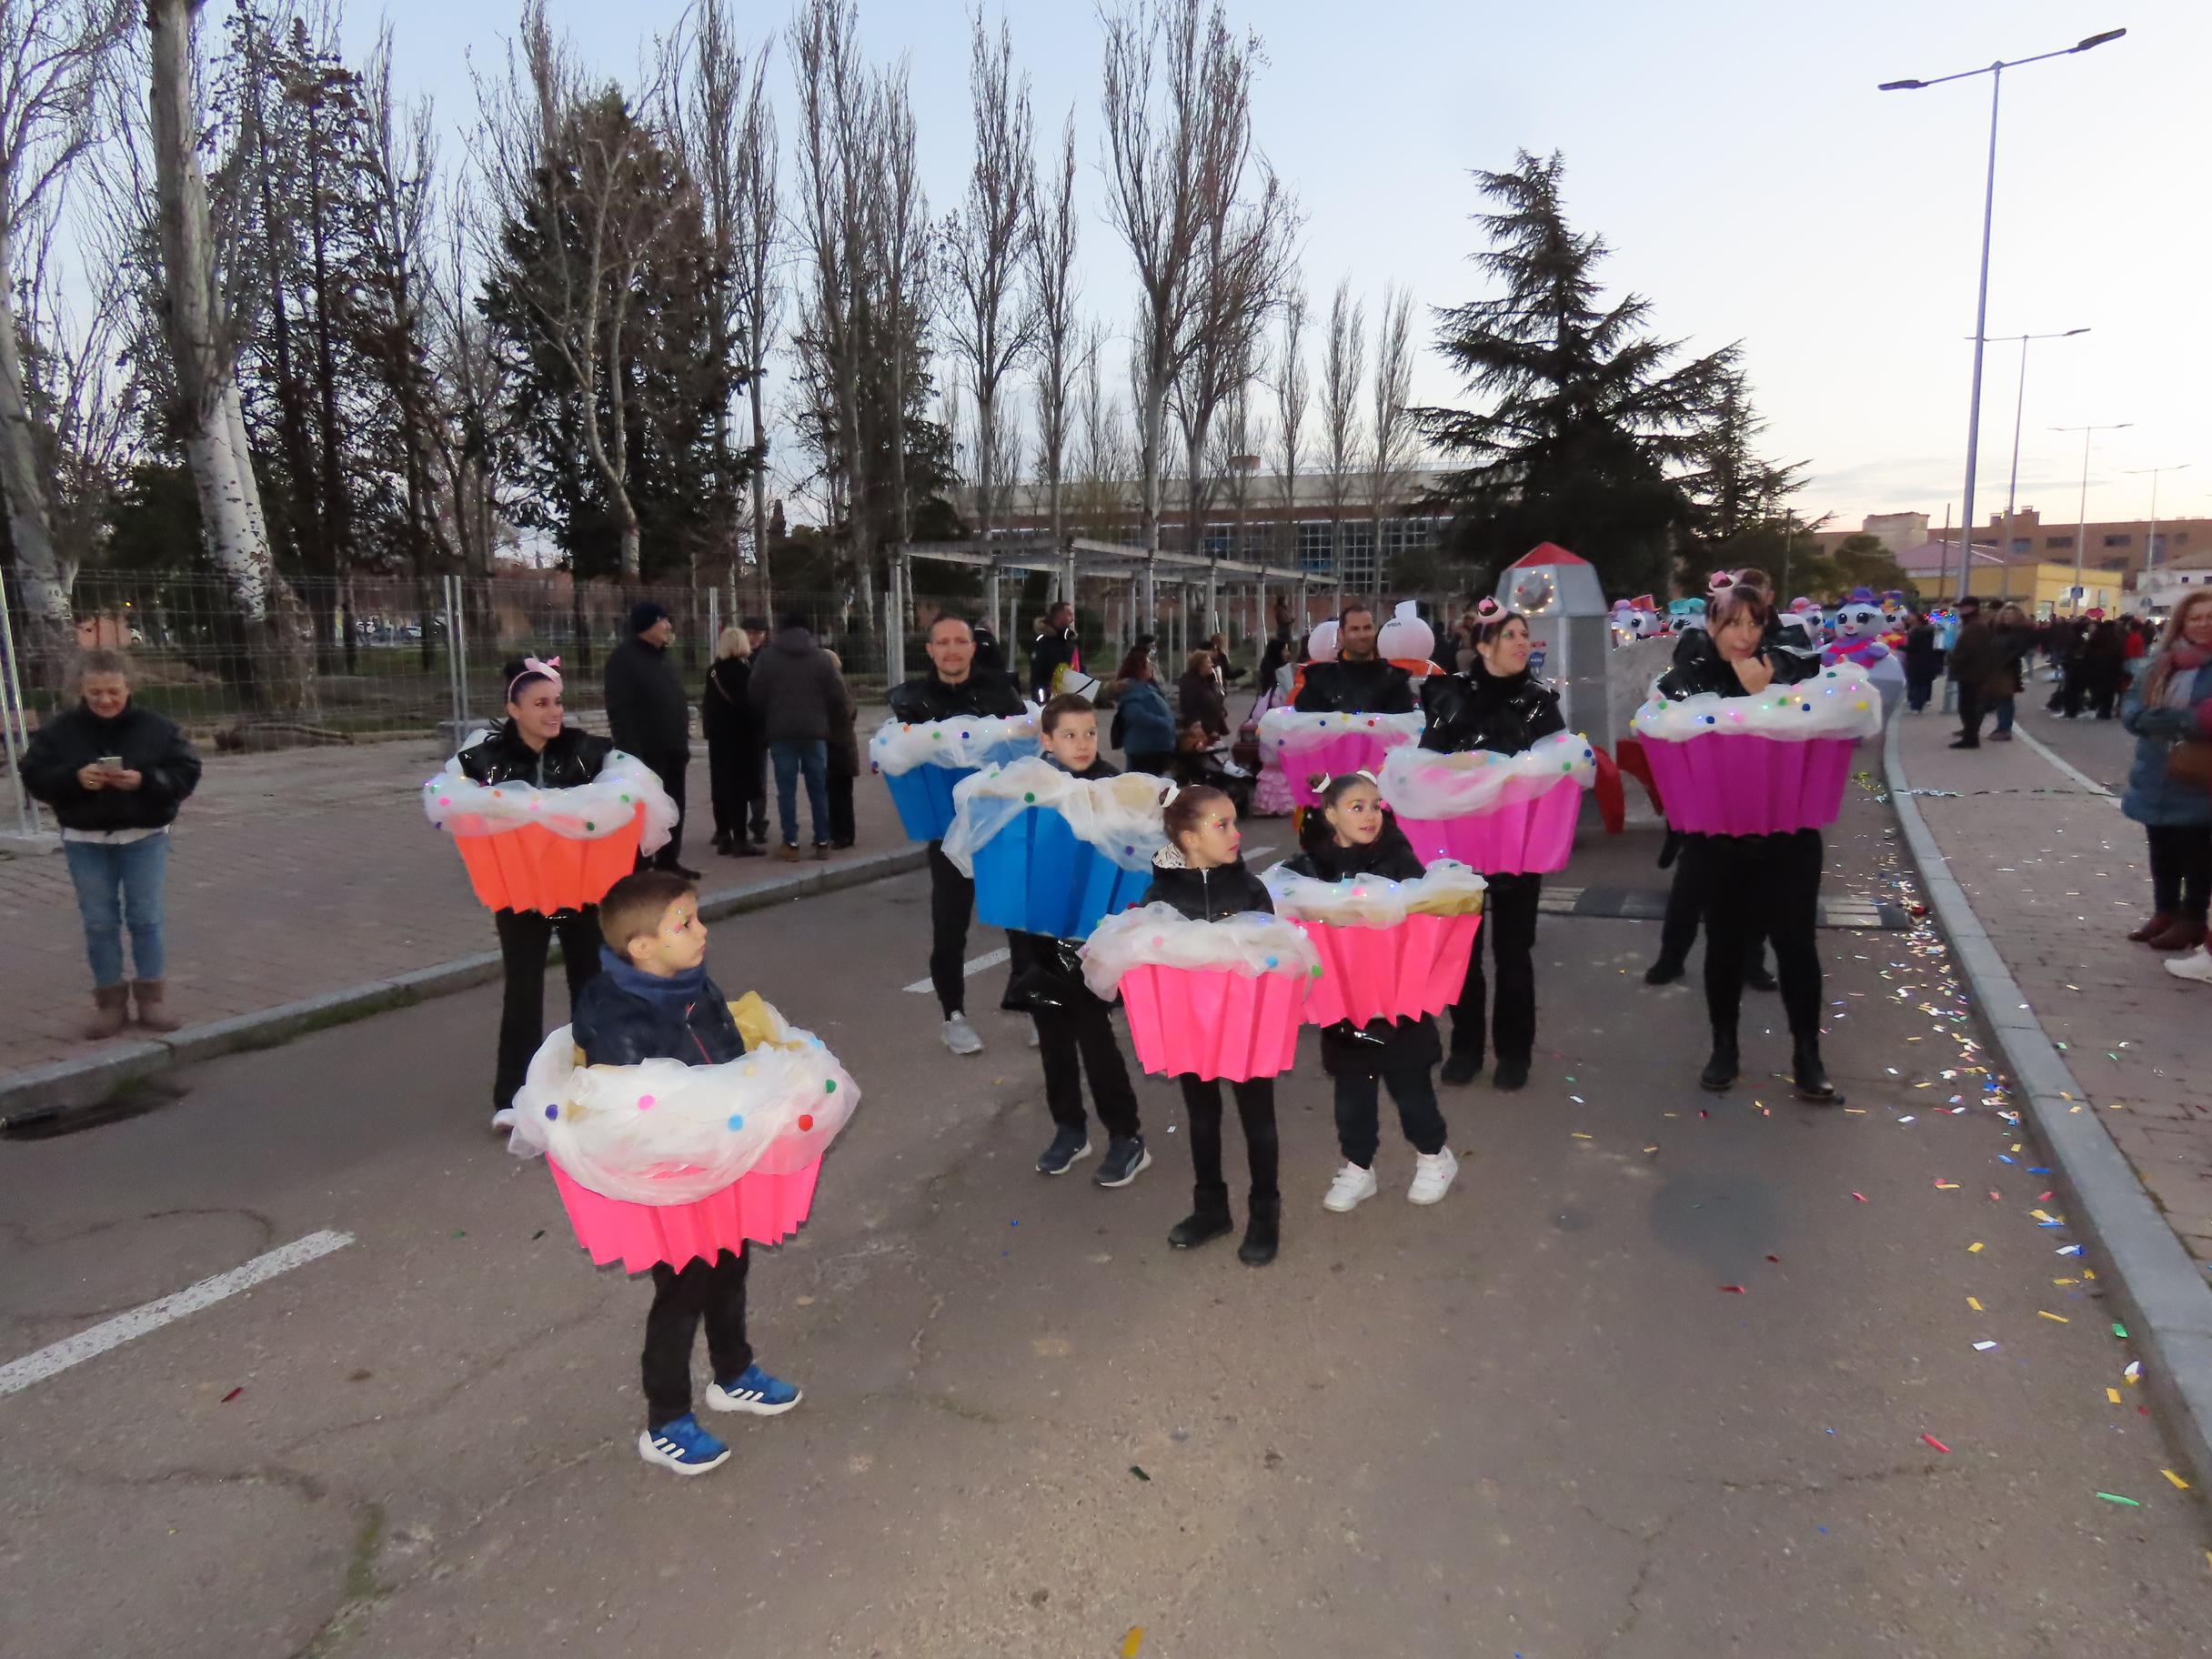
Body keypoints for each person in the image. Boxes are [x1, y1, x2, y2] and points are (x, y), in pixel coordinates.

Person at [568, 870, 802, 1475]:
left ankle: (733, 1372)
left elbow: (727, 1057)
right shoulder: (616, 1011)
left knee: (731, 1261)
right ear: (642, 946)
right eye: (686, 923)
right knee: (683, 1288)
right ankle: (666, 1419)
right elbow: (629, 1111)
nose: (702, 931)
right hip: (668, 1177)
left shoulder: (695, 985)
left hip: (717, 1161)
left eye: (698, 917)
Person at [1653, 580, 1836, 1101]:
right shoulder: (1687, 679)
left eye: (1755, 622)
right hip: (1720, 838)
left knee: (1796, 946)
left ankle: (1807, 1055)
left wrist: (1771, 677)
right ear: (1711, 624)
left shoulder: (1788, 664)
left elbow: (1823, 680)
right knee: (1725, 946)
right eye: (1733, 622)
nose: (1745, 634)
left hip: (1788, 833)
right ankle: (1724, 1048)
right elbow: (1666, 724)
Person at [1285, 772, 1458, 1212]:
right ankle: (1359, 1168)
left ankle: (1434, 1156)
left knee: (1411, 1088)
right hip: (1344, 1007)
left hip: (1398, 1004)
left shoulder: (1400, 860)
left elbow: (1425, 921)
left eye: (1375, 805)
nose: (1369, 815)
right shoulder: (1309, 867)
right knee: (1352, 1096)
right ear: (1330, 815)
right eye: (1356, 806)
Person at [457, 658, 613, 1114]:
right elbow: (454, 795)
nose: (554, 712)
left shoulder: (586, 749)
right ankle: (513, 1096)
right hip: (520, 893)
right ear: (514, 708)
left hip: (577, 889)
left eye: (558, 702)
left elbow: (625, 781)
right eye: (541, 703)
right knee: (522, 988)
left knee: (589, 981)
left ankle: (598, 1078)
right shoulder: (487, 758)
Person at [1416, 600, 1562, 1090]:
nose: (1523, 643)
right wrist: (1457, 767)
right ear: (1483, 645)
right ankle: (1466, 1047)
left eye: (1525, 635)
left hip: (1518, 844)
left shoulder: (1540, 700)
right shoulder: (1448, 697)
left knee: (1514, 951)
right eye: (1511, 635)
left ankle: (1515, 1053)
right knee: (1464, 953)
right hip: (1460, 842)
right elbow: (1426, 763)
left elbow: (1559, 766)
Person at [21, 648, 203, 1038]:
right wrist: (74, 780)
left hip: (144, 836)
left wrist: (145, 781)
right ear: (80, 692)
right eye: (95, 693)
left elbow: (186, 771)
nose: (105, 700)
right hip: (85, 839)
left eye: (113, 692)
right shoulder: (59, 732)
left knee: (145, 918)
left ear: (128, 688)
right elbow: (34, 774)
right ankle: (110, 1003)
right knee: (99, 922)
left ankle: (152, 999)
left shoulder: (157, 729)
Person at [1015, 694, 1151, 1187]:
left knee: (1095, 1039)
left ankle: (1126, 1135)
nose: (1082, 743)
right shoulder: (1026, 789)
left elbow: (1139, 856)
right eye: (1069, 735)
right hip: (1037, 935)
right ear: (1047, 741)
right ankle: (1070, 1129)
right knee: (1052, 1038)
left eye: (1090, 732)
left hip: (1092, 937)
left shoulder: (1117, 788)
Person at [1141, 785, 1281, 1265]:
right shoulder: (1160, 892)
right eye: (1221, 825)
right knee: (1202, 1116)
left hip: (1246, 1022)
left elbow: (1273, 950)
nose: (1236, 833)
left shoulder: (1248, 888)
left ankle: (1264, 1215)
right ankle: (1211, 1209)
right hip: (1191, 1023)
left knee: (1257, 1117)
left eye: (1234, 822)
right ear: (1188, 837)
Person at [888, 615, 1028, 1055]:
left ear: (973, 647)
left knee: (1021, 924)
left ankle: (1031, 1006)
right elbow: (899, 756)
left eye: (960, 642)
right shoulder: (911, 700)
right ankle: (954, 1017)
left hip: (1001, 825)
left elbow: (1025, 749)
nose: (951, 650)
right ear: (929, 650)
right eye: (942, 643)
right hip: (946, 832)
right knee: (949, 928)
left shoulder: (1001, 693)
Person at [2119, 591, 2212, 960]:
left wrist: (2177, 722)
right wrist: (2143, 719)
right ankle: (2165, 911)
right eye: (2195, 618)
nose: (2203, 624)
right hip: (2156, 771)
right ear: (2181, 623)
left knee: (2197, 852)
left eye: (2210, 617)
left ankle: (2193, 919)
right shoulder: (2161, 663)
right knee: (2162, 848)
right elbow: (2132, 707)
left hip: (2198, 775)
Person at [604, 601, 698, 878]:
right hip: (645, 754)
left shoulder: (664, 658)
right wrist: (631, 754)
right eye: (663, 621)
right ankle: (639, 868)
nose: (668, 626)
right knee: (644, 813)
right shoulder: (623, 660)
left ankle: (669, 860)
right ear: (646, 625)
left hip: (674, 748)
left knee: (674, 806)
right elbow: (620, 710)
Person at [746, 613, 846, 862]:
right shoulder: (822, 658)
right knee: (818, 788)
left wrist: (769, 716)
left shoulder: (768, 658)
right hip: (815, 733)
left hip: (781, 733)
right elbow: (837, 695)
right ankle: (822, 841)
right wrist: (823, 719)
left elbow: (755, 693)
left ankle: (790, 843)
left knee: (786, 789)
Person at [700, 627, 766, 859]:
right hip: (742, 738)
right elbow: (752, 706)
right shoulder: (745, 671)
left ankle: (723, 835)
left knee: (721, 787)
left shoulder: (712, 672)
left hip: (719, 739)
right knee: (741, 789)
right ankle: (740, 839)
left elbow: (707, 706)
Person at [1294, 602, 1416, 714]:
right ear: (1341, 634)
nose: (1362, 635)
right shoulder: (1319, 679)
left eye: (1367, 628)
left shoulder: (1395, 680)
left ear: (1375, 631)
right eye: (1354, 629)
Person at [1109, 643, 1177, 777]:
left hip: (1154, 746)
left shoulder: (1146, 685)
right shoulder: (1133, 688)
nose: (1152, 667)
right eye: (1149, 663)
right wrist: (1164, 722)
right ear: (1140, 668)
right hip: (1144, 747)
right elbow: (1135, 714)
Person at [820, 647, 860, 850]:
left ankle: (841, 834)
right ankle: (842, 833)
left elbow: (843, 713)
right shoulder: (840, 681)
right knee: (840, 792)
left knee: (837, 793)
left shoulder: (832, 684)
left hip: (837, 747)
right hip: (843, 746)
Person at [1988, 604, 2033, 740]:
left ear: (2017, 617)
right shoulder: (1999, 631)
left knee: (2005, 699)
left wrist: (2005, 662)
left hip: (2008, 669)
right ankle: (2001, 727)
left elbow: (2020, 650)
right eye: (2006, 615)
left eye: (2011, 615)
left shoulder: (2020, 632)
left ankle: (2005, 729)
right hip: (1995, 668)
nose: (2008, 617)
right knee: (1999, 699)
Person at [1030, 601, 1081, 701]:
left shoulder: (1071, 639)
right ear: (1060, 615)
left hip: (1071, 695)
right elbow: (1037, 674)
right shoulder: (1042, 641)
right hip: (1049, 697)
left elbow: (1079, 666)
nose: (1073, 619)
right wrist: (1042, 698)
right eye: (1070, 614)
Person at [1177, 647, 1230, 740]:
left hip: (1213, 730)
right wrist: (1205, 729)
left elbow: (1215, 699)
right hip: (1201, 733)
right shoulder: (1190, 684)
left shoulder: (1209, 681)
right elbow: (1190, 710)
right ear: (1199, 666)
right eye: (1208, 662)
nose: (1212, 665)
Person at [1902, 611, 1944, 714]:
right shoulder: (1930, 631)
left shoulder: (1916, 632)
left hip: (1916, 660)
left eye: (1912, 617)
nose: (1910, 619)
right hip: (1928, 660)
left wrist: (1898, 646)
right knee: (1922, 683)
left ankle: (1915, 705)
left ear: (1918, 620)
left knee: (1916, 683)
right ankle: (1920, 703)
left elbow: (1913, 647)